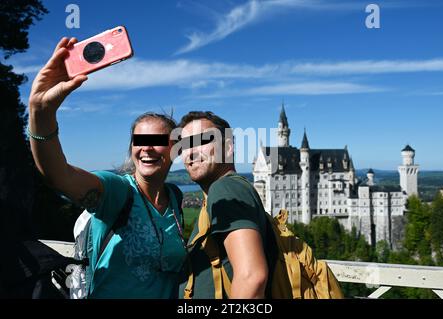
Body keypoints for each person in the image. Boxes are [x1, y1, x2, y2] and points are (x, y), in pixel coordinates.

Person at [28, 37, 186, 298]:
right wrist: (41, 114)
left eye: (157, 141)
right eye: (139, 141)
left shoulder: (175, 198)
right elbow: (59, 175)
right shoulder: (116, 190)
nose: (146, 148)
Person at [177, 111, 272, 299]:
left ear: (227, 148)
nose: (191, 151)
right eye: (185, 145)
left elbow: (252, 277)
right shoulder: (220, 194)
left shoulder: (226, 187)